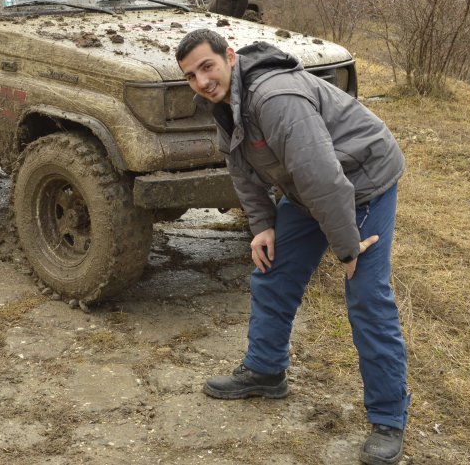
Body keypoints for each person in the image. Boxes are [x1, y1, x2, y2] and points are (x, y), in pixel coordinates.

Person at [175, 28, 410, 465]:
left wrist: (347, 248)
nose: (202, 81)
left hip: (363, 181)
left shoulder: (275, 97)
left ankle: (388, 418)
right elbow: (241, 168)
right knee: (273, 269)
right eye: (191, 76)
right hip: (311, 189)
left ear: (229, 57)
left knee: (366, 295)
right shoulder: (224, 102)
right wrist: (263, 225)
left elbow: (322, 176)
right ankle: (265, 370)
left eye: (207, 67)